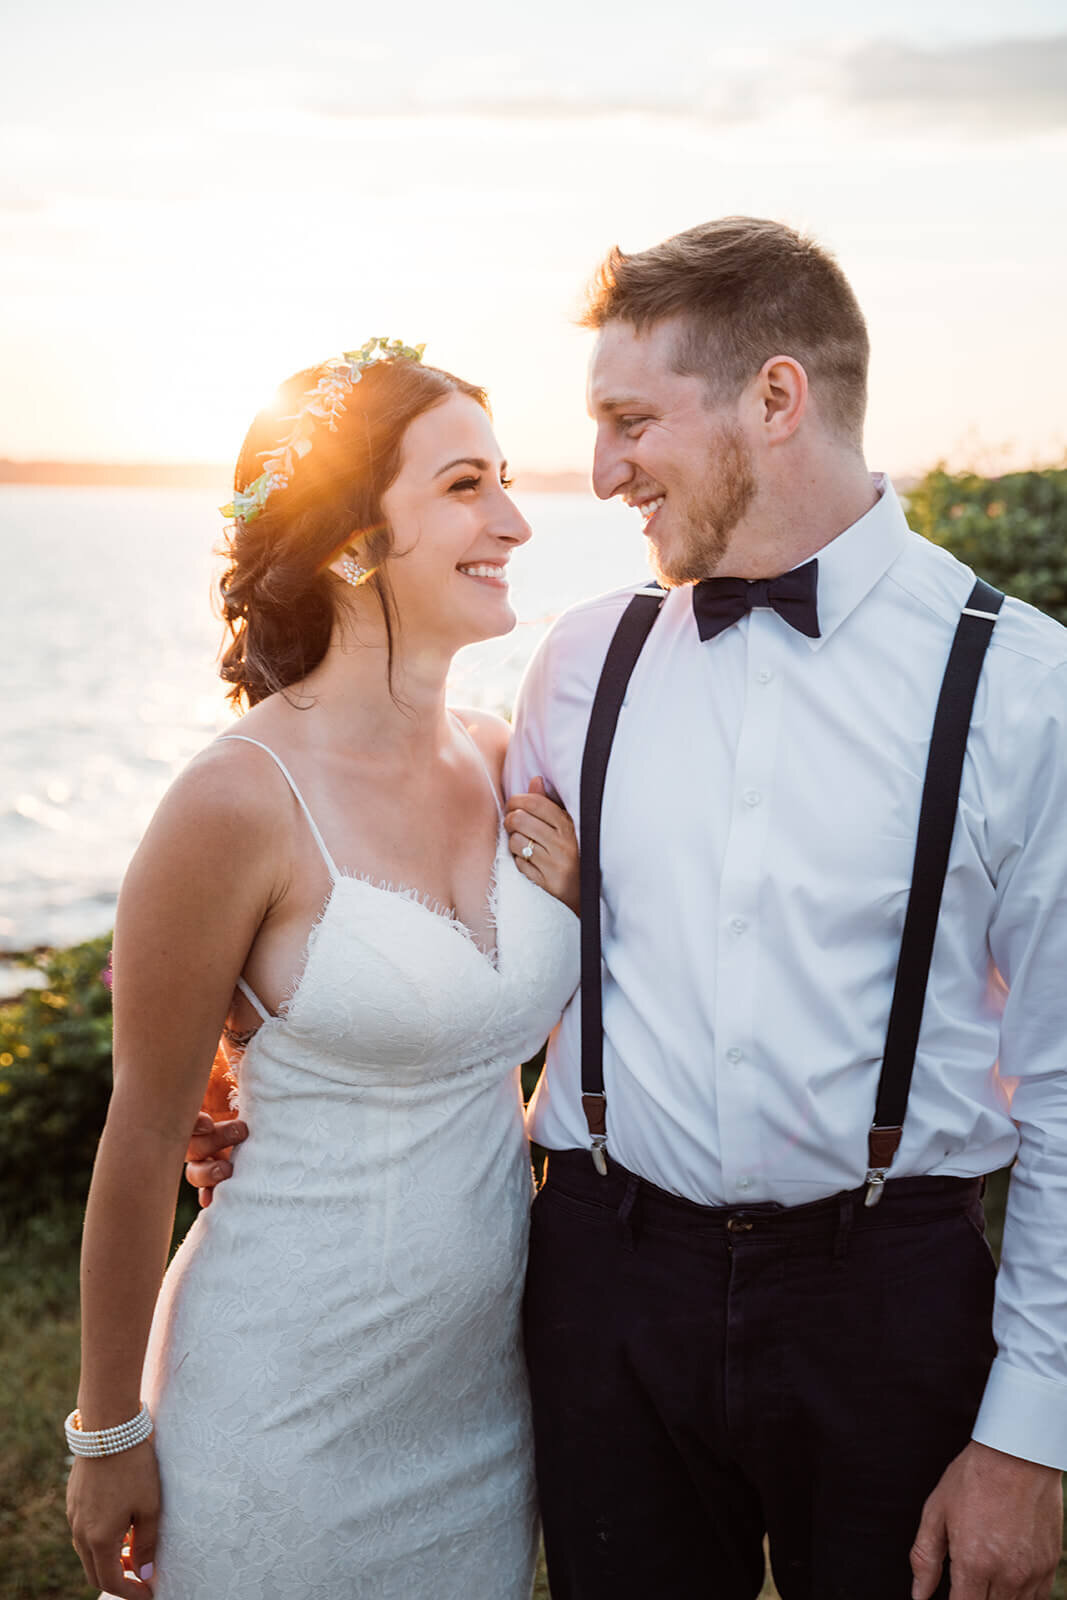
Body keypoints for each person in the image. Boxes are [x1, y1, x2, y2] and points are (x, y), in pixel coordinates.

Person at [190, 222, 1067, 1598]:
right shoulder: (576, 666)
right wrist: (247, 1067)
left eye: (629, 422)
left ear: (774, 400)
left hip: (886, 1294)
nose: (596, 475)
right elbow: (411, 909)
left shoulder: (1022, 689)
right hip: (603, 1277)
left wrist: (1031, 1436)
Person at [65, 340, 581, 1600]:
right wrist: (108, 1434)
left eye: (506, 480)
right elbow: (141, 1145)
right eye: (465, 486)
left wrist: (575, 912)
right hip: (281, 1404)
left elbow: (508, 1083)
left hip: (478, 1409)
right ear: (352, 539)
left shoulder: (503, 754)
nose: (513, 520)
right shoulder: (235, 802)